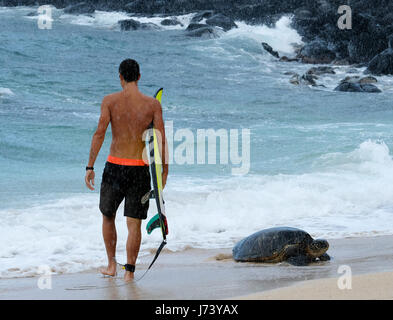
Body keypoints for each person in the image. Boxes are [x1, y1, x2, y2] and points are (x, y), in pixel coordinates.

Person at [84, 59, 168, 282]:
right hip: (139, 170)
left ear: (120, 77)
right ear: (139, 77)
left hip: (114, 168)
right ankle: (129, 272)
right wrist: (164, 171)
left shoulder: (110, 101)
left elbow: (99, 134)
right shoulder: (152, 105)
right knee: (134, 223)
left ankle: (112, 265)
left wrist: (90, 166)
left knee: (108, 216)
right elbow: (161, 141)